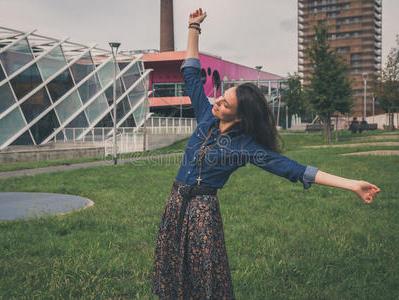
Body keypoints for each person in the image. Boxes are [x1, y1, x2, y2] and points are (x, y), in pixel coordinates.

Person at [152, 8, 381, 299]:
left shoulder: (245, 147)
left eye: (225, 103)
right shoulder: (206, 117)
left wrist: (351, 184)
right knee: (172, 266)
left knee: (203, 275)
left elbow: (294, 169)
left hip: (202, 212)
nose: (218, 100)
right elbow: (190, 73)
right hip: (175, 202)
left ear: (239, 117)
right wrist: (193, 27)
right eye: (222, 96)